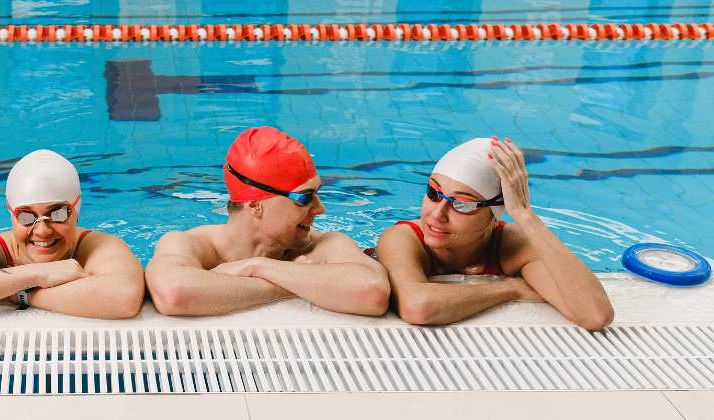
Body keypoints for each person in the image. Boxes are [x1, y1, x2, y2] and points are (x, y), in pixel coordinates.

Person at [146, 126, 390, 316]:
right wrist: (298, 282)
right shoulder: (190, 244)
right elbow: (174, 294)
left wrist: (257, 267)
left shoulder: (323, 243)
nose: (320, 208)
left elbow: (373, 292)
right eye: (304, 198)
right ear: (255, 204)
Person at [375, 137, 614, 330]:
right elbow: (418, 306)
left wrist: (524, 214)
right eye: (434, 193)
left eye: (463, 204)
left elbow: (594, 315)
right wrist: (511, 288)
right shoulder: (403, 238)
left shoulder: (512, 246)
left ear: (494, 215)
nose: (437, 214)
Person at [0, 149, 144, 319]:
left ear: (76, 211)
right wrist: (37, 274)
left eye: (58, 214)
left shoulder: (99, 246)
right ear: (11, 215)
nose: (42, 230)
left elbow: (123, 299)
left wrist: (13, 293)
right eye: (26, 217)